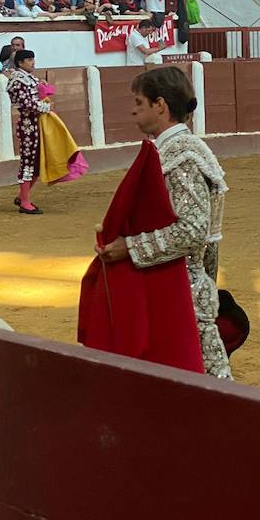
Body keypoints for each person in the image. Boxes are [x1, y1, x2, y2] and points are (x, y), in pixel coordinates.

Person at [86, 64, 231, 378]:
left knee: (201, 390)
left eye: (139, 103)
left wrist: (131, 247)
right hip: (176, 289)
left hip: (181, 294)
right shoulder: (176, 150)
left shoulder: (182, 155)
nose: (133, 112)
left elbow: (193, 231)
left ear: (160, 105)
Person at [6, 50, 48, 215]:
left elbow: (38, 95)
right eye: (29, 60)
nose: (33, 62)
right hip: (27, 125)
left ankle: (22, 197)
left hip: (35, 123)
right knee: (28, 162)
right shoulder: (17, 80)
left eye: (33, 59)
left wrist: (44, 89)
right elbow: (26, 104)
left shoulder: (30, 78)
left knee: (36, 162)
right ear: (20, 63)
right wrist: (45, 107)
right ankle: (24, 202)